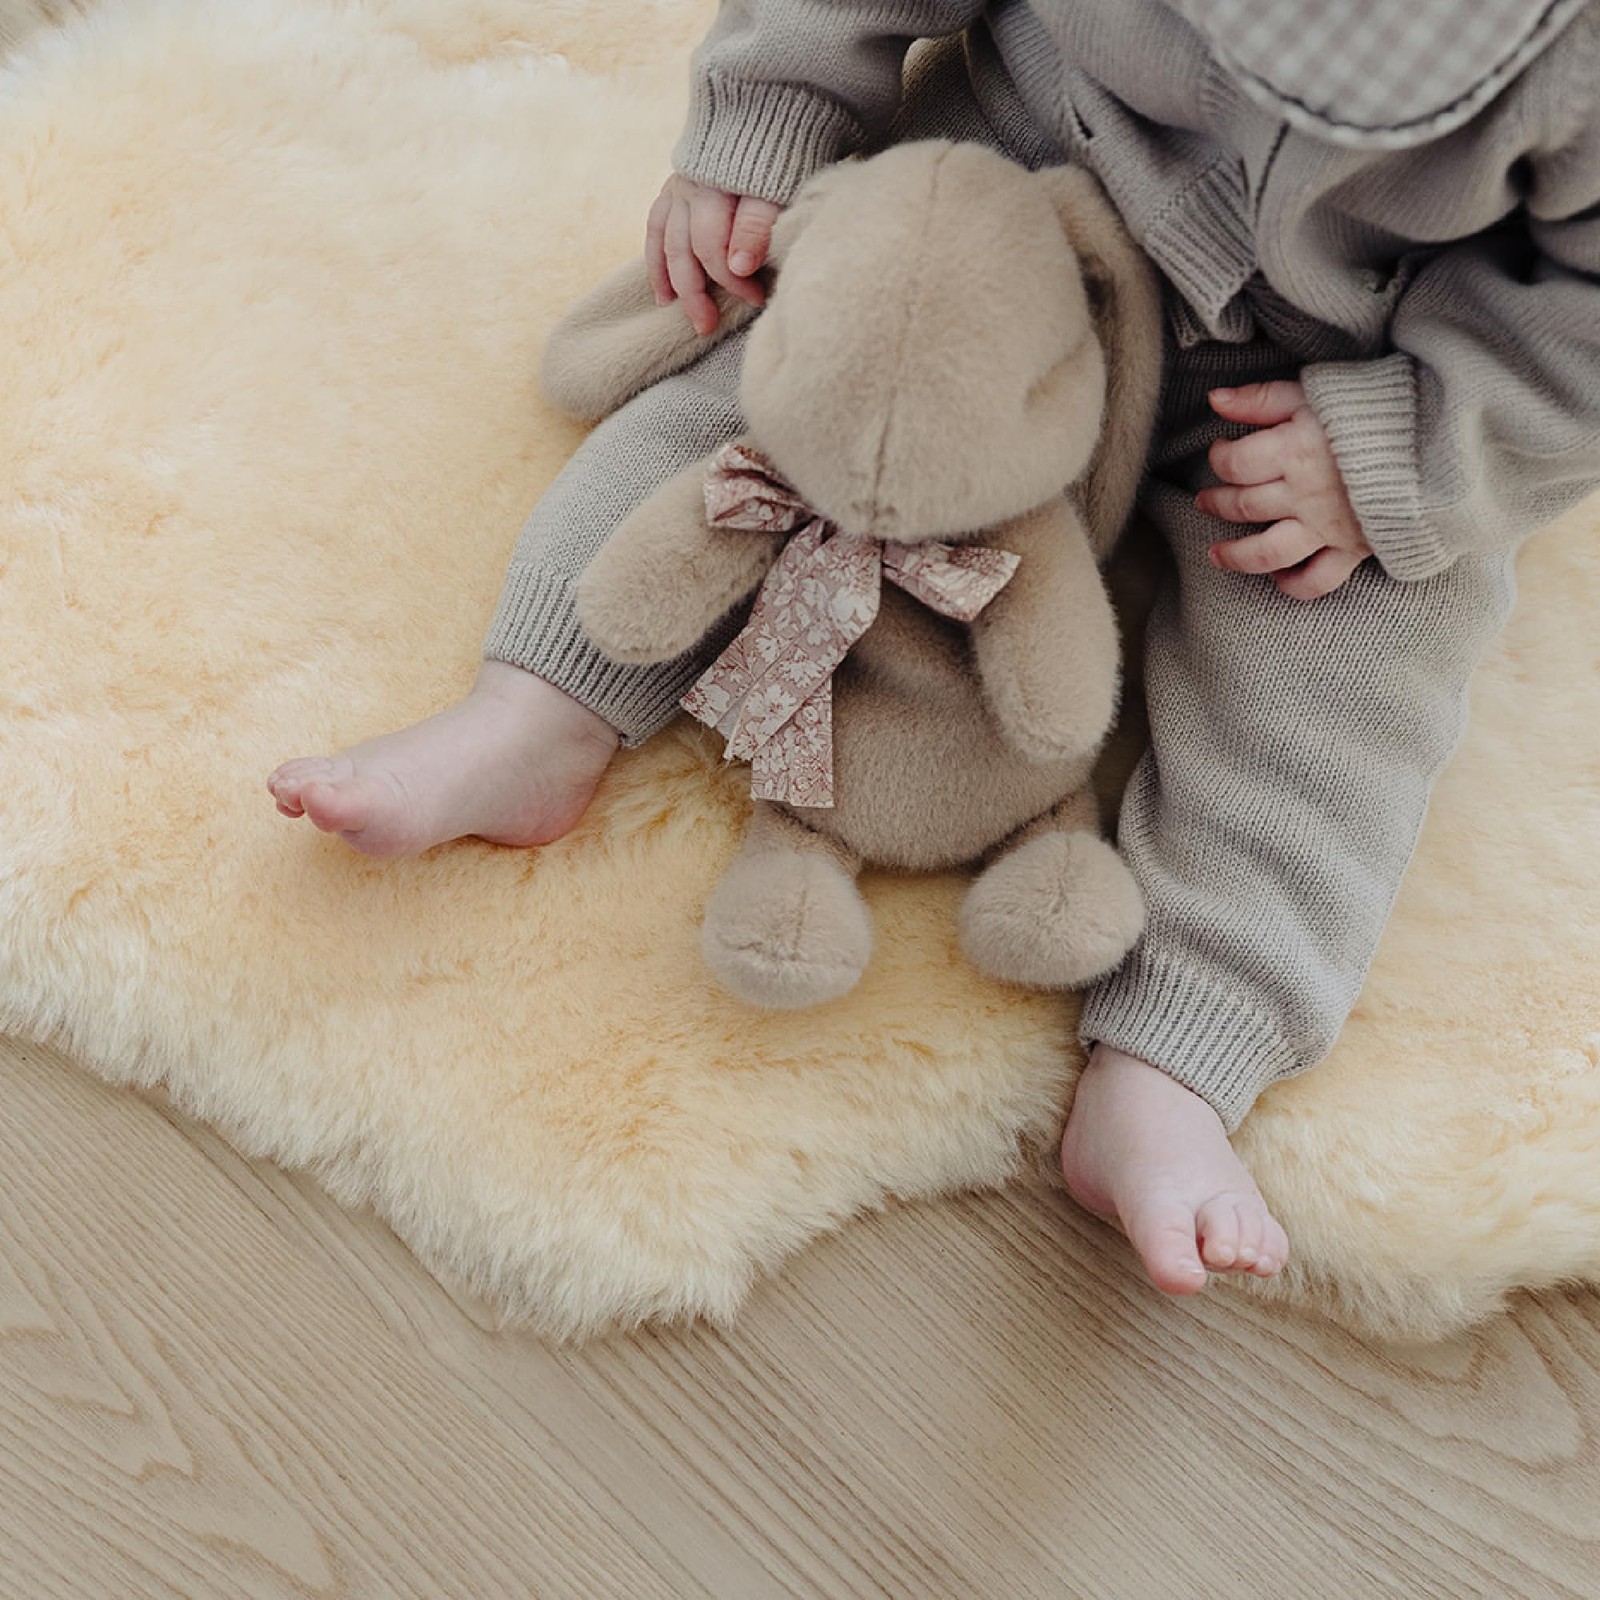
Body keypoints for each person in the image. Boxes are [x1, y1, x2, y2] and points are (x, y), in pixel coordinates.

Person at [268, 0, 1600, 1294]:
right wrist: (766, 120)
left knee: (1354, 666)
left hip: (1328, 383)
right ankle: (537, 712)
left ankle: (1179, 1055)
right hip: (1003, 206)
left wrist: (1414, 450)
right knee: (762, 394)